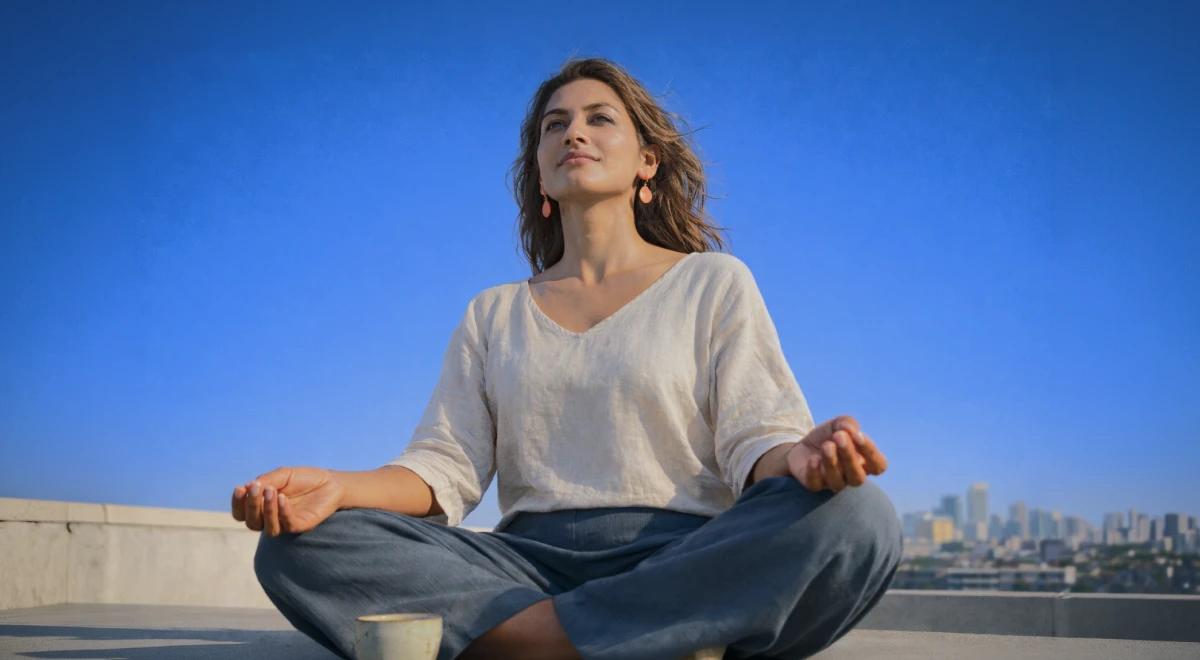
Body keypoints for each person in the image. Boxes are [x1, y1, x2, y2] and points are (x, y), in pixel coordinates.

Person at [233, 57, 901, 660]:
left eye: (599, 118)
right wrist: (338, 488)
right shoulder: (493, 312)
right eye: (555, 126)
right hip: (522, 569)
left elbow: (756, 436)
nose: (573, 133)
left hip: (686, 557)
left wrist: (800, 460)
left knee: (859, 517)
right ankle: (643, 640)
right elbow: (445, 466)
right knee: (297, 546)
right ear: (542, 171)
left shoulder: (713, 282)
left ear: (647, 161)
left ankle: (533, 644)